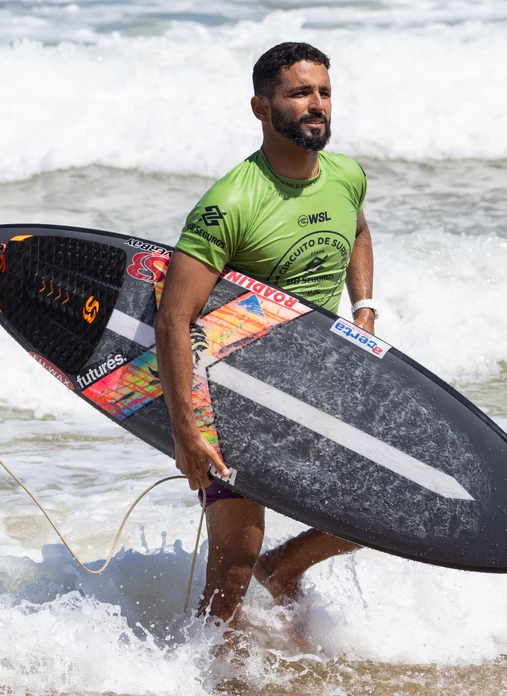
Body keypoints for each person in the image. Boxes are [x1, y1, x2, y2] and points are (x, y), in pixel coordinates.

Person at [156, 42, 379, 635]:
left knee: (377, 513)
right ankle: (205, 675)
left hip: (321, 383)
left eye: (325, 93)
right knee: (232, 566)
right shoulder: (230, 203)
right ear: (261, 106)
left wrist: (365, 307)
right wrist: (187, 433)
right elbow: (173, 317)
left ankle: (286, 568)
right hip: (235, 397)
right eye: (300, 93)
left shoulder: (347, 176)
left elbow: (357, 231)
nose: (317, 105)